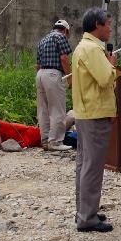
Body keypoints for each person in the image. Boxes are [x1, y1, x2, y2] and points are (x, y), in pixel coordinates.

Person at [71, 8, 117, 232]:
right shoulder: (92, 49)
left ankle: (84, 210)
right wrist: (112, 64)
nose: (110, 28)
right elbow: (105, 78)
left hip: (85, 113)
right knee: (92, 167)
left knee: (84, 164)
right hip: (95, 114)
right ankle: (87, 217)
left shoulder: (83, 47)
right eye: (108, 24)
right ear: (97, 25)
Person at [35, 19, 73, 151]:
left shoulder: (43, 40)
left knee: (43, 109)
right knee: (57, 109)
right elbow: (64, 58)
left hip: (40, 74)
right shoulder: (60, 36)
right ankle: (55, 141)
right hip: (53, 74)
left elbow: (37, 64)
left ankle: (45, 140)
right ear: (65, 30)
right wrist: (70, 78)